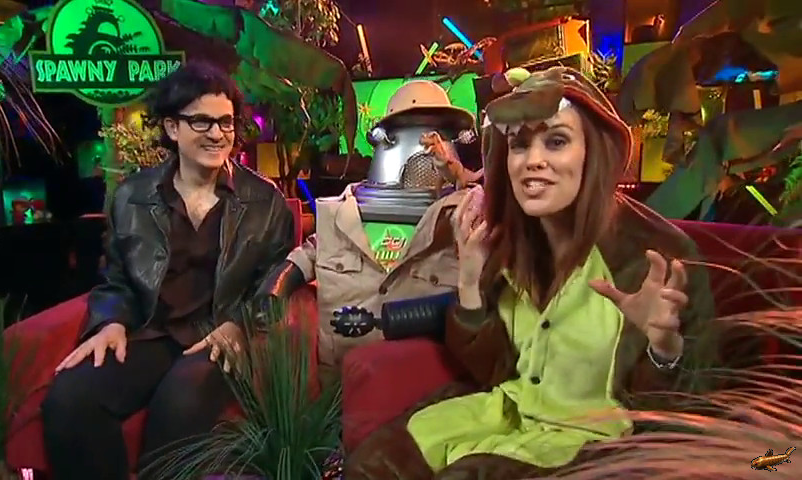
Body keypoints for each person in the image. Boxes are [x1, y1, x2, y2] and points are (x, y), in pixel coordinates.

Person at [344, 66, 715, 480]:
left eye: (556, 141)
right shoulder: (510, 241)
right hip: (505, 413)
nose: (533, 161)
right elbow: (493, 373)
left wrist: (663, 349)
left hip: (591, 445)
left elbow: (689, 420)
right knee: (374, 464)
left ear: (594, 153)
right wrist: (470, 280)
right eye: (519, 145)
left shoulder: (660, 256)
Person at [40, 61, 296, 480]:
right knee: (70, 399)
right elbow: (117, 279)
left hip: (219, 334)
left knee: (179, 403)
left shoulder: (264, 201)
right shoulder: (132, 196)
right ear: (172, 128)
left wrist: (240, 326)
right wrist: (109, 322)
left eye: (226, 122)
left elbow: (275, 281)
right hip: (152, 332)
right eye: (201, 121)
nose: (217, 134)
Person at [260, 80, 483, 388]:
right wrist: (275, 288)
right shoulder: (343, 215)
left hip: (431, 388)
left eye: (439, 135)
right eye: (416, 133)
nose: (429, 149)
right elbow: (308, 254)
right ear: (383, 140)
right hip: (340, 387)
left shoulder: (465, 217)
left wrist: (465, 183)